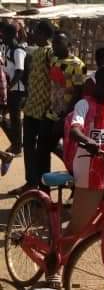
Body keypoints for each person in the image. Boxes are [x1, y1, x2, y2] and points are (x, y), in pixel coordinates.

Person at [64, 63, 104, 233]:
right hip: (87, 172)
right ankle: (58, 258)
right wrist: (87, 141)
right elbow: (75, 130)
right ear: (102, 85)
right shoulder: (83, 105)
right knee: (78, 227)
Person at [22, 20, 54, 189]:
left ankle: (43, 185)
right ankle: (31, 182)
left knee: (43, 150)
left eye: (35, 31)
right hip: (31, 107)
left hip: (43, 110)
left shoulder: (51, 53)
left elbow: (56, 82)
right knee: (28, 145)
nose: (32, 34)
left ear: (42, 34)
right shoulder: (35, 52)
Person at [45, 32, 86, 156]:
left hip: (66, 116)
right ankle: (42, 175)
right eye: (53, 43)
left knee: (68, 153)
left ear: (68, 44)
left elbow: (79, 93)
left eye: (58, 43)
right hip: (51, 113)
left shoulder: (78, 65)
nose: (54, 47)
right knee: (43, 148)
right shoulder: (54, 60)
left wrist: (65, 117)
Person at [3, 22, 26, 156]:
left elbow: (20, 71)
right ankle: (16, 144)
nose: (2, 37)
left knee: (16, 120)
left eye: (4, 35)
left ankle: (17, 147)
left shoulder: (18, 51)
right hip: (12, 90)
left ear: (10, 35)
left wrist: (9, 87)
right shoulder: (9, 50)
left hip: (18, 91)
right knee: (11, 118)